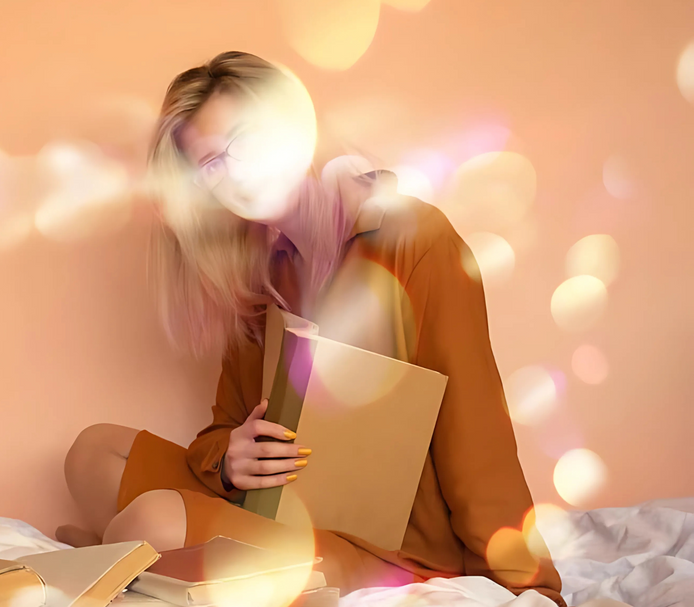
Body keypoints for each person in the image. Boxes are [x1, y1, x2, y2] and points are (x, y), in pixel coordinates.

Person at [58, 51, 564, 605]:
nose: (238, 173)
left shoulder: (414, 238)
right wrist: (229, 460)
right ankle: (130, 561)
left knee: (151, 519)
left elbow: (477, 428)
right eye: (211, 165)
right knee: (92, 453)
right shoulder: (255, 276)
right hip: (275, 511)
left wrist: (530, 587)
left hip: (390, 549)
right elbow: (224, 426)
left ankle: (119, 559)